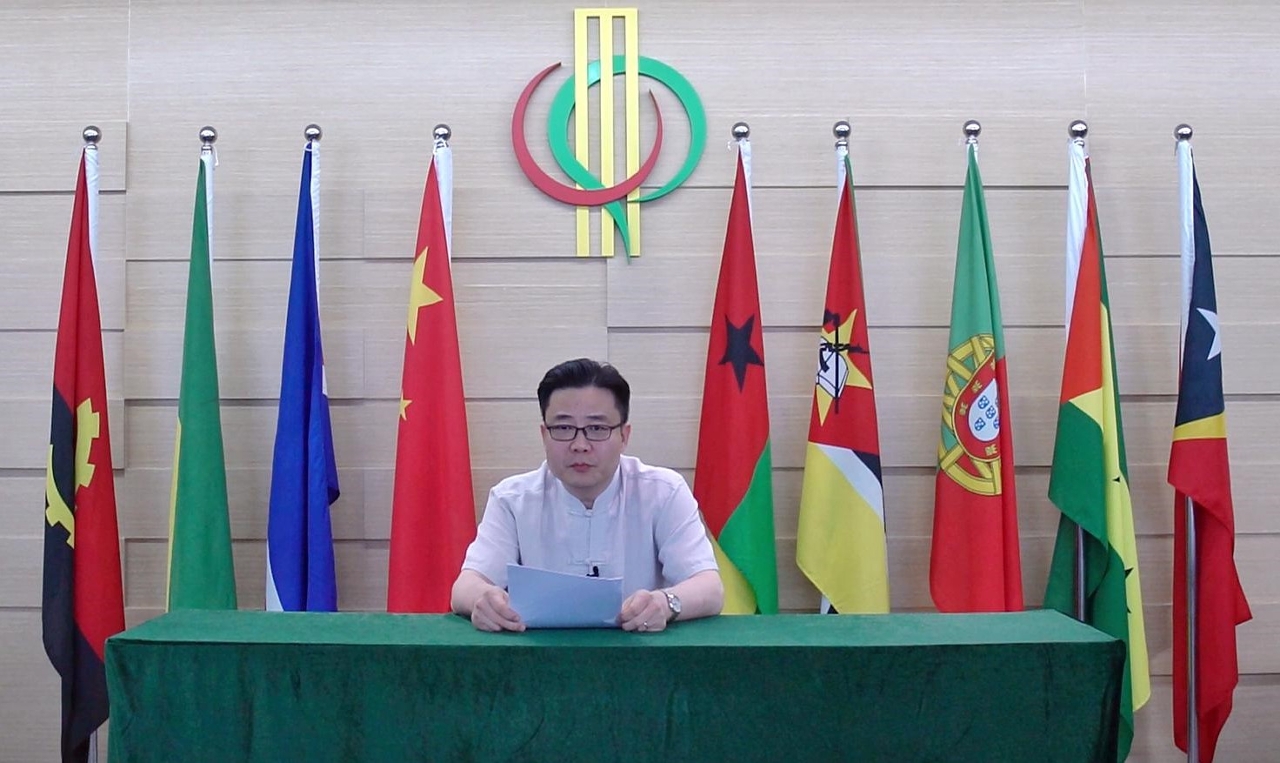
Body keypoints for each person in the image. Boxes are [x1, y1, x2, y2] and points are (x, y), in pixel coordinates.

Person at [451, 358, 724, 633]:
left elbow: (710, 588)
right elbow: (464, 587)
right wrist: (482, 601)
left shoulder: (663, 492)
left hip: (641, 651)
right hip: (540, 654)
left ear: (624, 435)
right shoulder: (512, 499)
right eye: (563, 428)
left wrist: (665, 604)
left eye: (597, 429)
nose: (580, 445)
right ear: (544, 435)